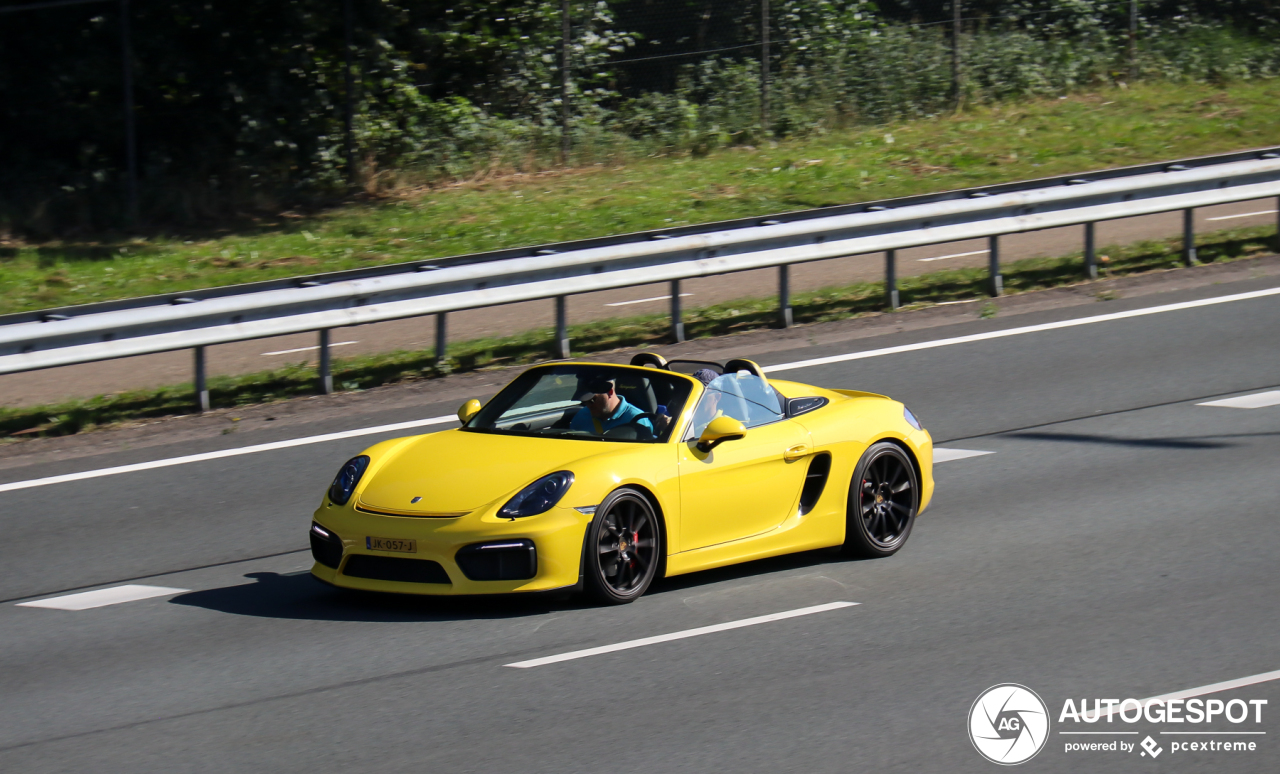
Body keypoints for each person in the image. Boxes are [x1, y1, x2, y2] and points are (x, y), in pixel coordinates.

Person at [569, 376, 654, 436]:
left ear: (610, 392)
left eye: (592, 400)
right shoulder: (580, 417)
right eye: (584, 402)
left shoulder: (637, 420)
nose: (588, 405)